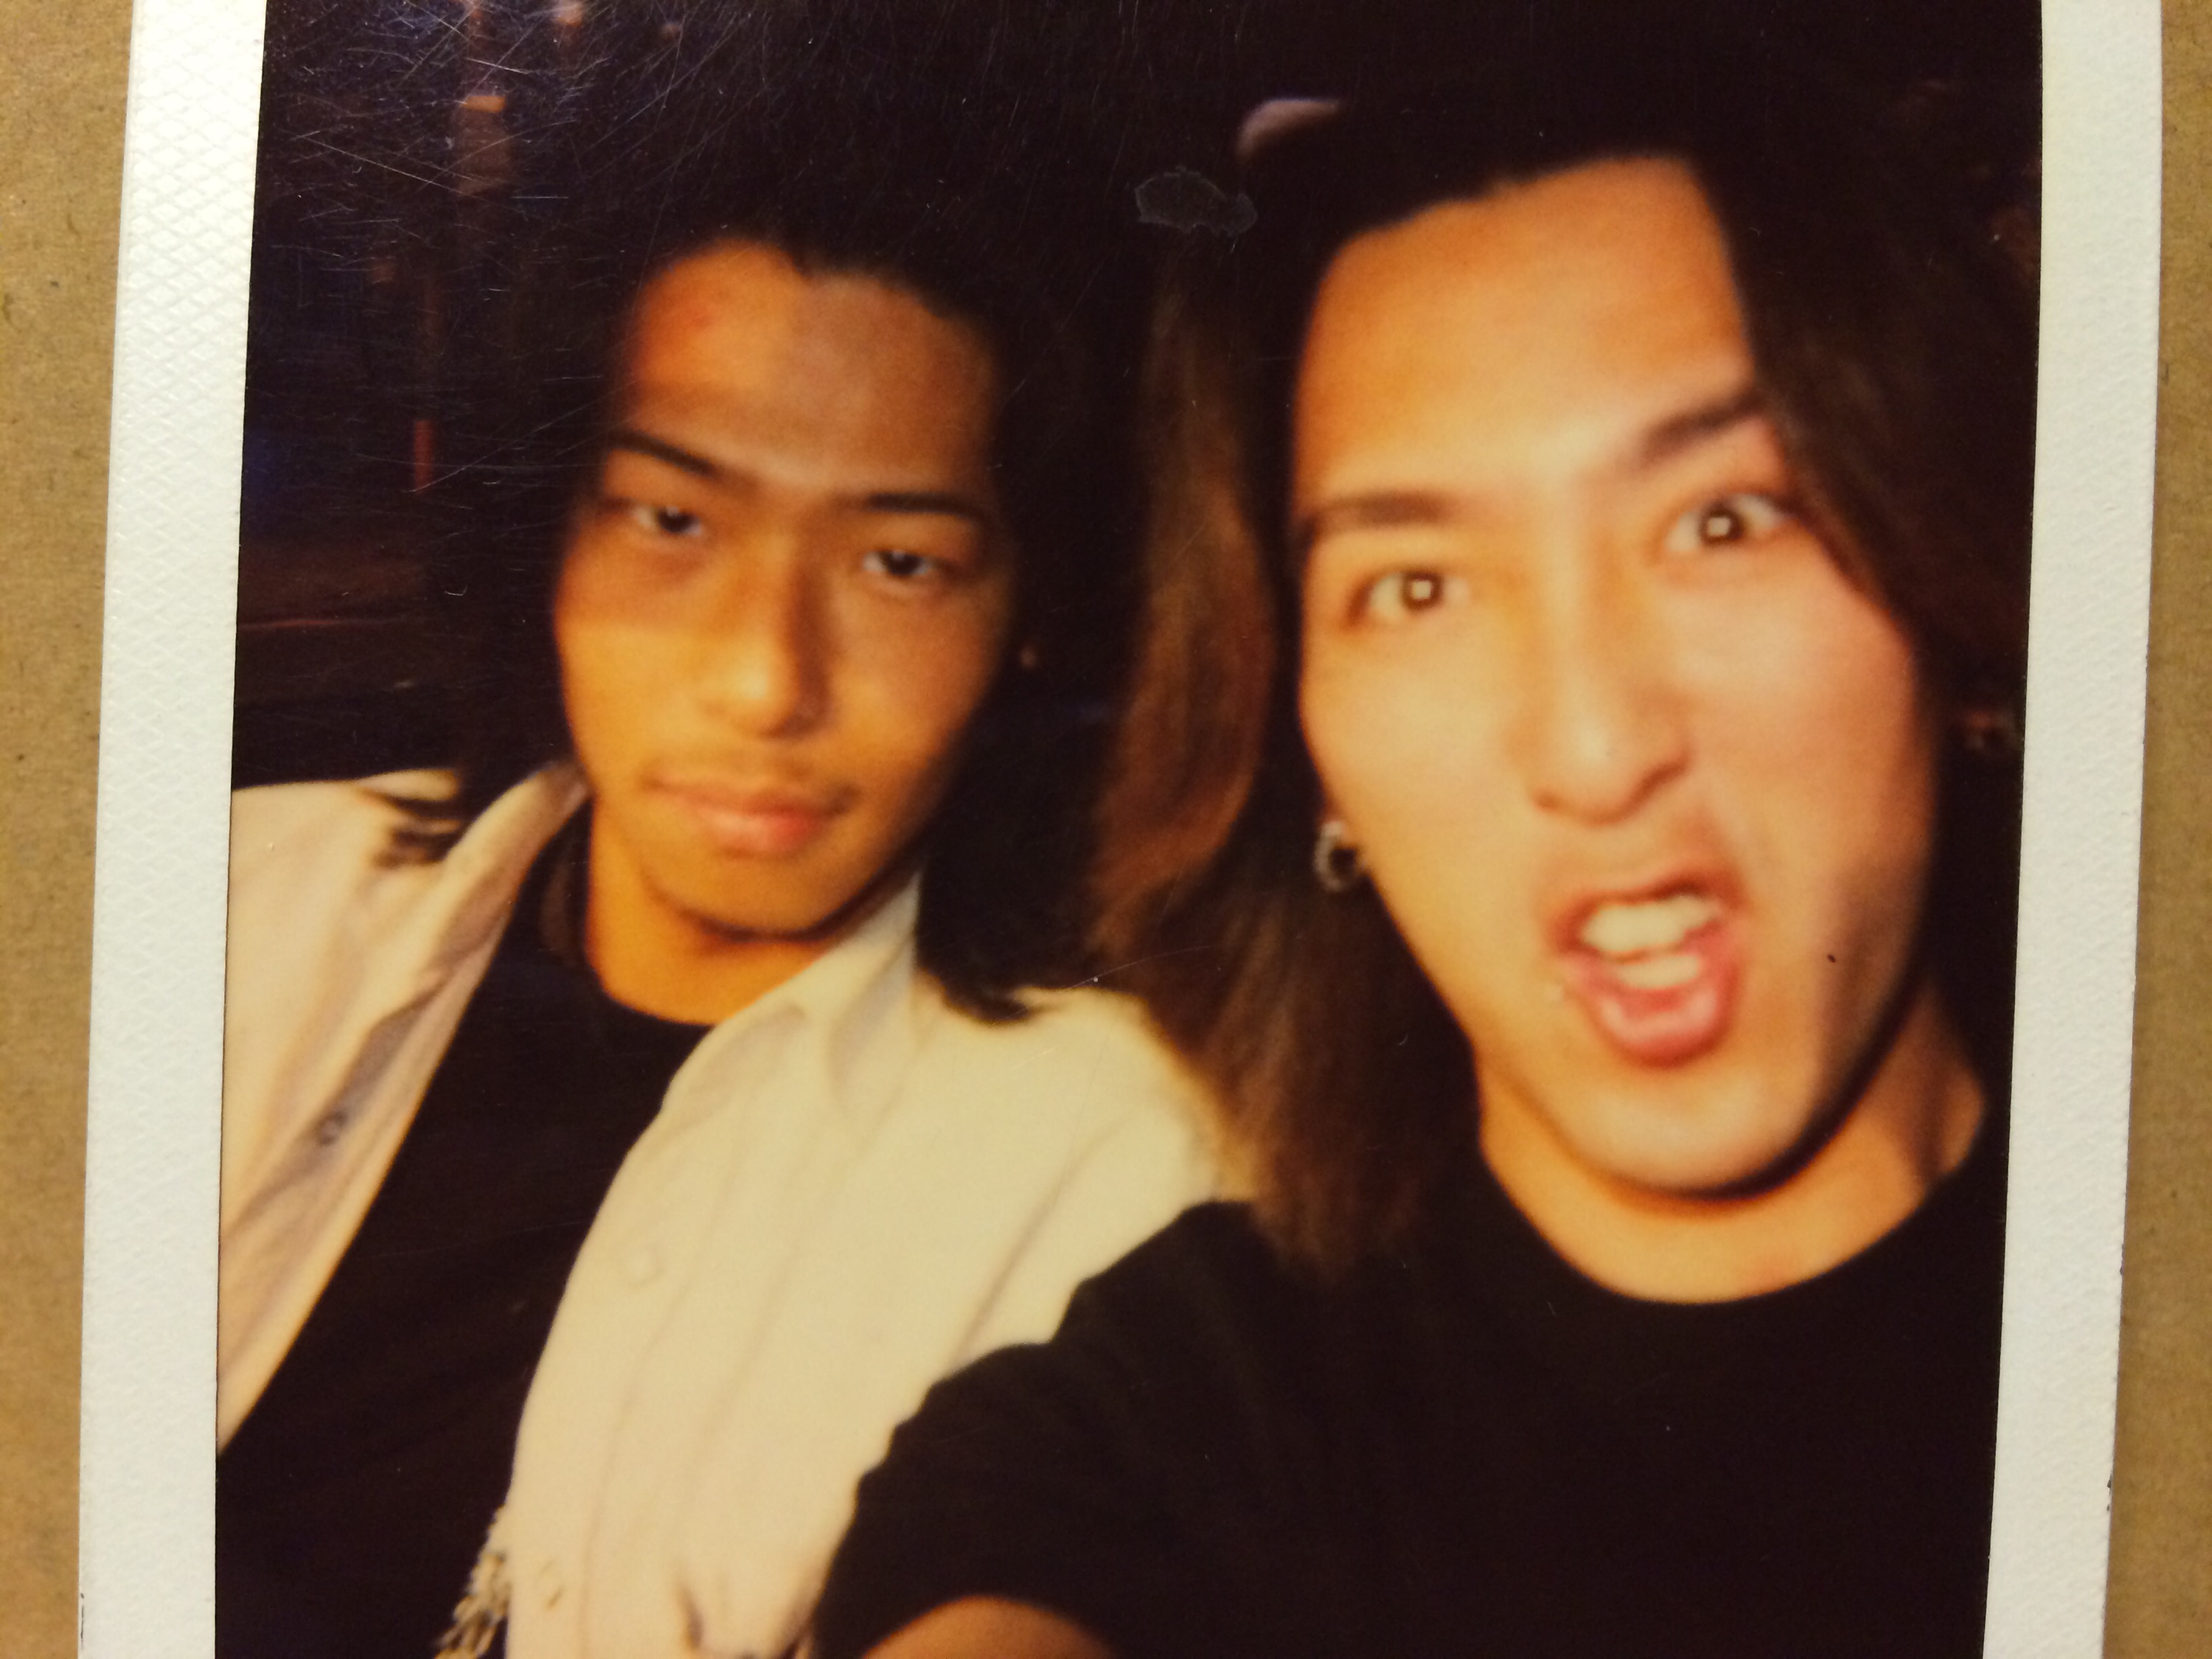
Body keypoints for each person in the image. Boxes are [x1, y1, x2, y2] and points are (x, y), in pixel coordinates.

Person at [810, 25, 2035, 1659]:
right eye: (1416, 589)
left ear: (1949, 596)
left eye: (1723, 521)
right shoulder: (1154, 1451)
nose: (1595, 749)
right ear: (1309, 758)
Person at [214, 41, 1217, 1659]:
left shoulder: (1119, 1171)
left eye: (900, 561)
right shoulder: (228, 917)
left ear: (1030, 611)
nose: (767, 681)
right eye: (673, 521)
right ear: (546, 522)